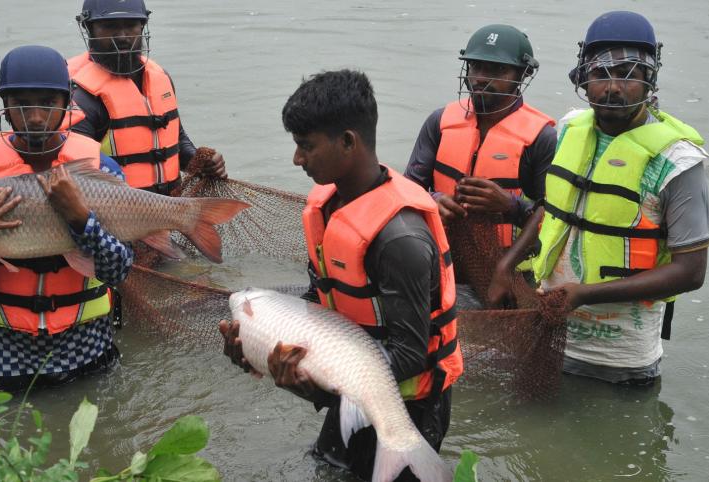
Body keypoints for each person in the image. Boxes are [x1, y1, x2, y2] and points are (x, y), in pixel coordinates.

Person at [219, 70, 462, 481]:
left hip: (406, 407)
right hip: (348, 391)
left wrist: (315, 385)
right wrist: (259, 349)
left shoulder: (400, 238)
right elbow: (321, 300)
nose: (297, 159)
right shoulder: (328, 207)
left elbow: (410, 353)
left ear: (348, 141)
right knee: (327, 469)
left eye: (306, 146)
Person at [489, 11, 709, 385]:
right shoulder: (568, 130)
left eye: (628, 74)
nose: (612, 87)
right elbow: (552, 209)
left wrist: (585, 295)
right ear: (583, 77)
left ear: (649, 79)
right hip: (548, 337)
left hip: (621, 361)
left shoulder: (677, 162)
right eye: (600, 74)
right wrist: (505, 266)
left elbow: (691, 272)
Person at [0, 45, 133, 392]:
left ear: (65, 104)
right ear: (5, 107)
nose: (34, 116)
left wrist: (80, 219)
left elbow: (118, 270)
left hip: (89, 347)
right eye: (21, 103)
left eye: (47, 103)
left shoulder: (99, 170)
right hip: (7, 356)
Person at [404, 24, 556, 276]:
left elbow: (554, 222)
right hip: (441, 256)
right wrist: (434, 200)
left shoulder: (542, 138)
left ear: (522, 74)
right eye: (475, 66)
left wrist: (511, 206)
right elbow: (407, 190)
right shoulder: (440, 122)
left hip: (509, 269)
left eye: (497, 69)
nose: (481, 78)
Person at [68, 0, 227, 194]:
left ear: (142, 26)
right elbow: (74, 176)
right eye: (110, 26)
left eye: (131, 25)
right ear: (88, 28)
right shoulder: (80, 95)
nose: (122, 36)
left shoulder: (160, 77)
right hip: (118, 212)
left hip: (170, 209)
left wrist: (200, 162)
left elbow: (176, 138)